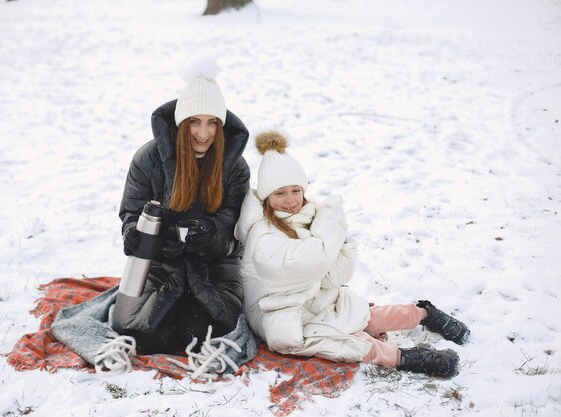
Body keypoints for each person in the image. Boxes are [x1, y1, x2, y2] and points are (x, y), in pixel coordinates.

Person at [234, 131, 470, 378]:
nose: (291, 200)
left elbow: (331, 278)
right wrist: (330, 233)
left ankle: (423, 314)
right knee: (325, 337)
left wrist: (342, 246)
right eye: (280, 193)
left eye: (296, 190)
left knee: (358, 314)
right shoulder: (261, 232)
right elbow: (304, 263)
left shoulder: (308, 217)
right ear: (266, 197)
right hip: (275, 309)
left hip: (311, 298)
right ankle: (404, 358)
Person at [111, 60, 250, 354]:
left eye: (212, 122)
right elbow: (132, 212)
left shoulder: (235, 167)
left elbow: (235, 234)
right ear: (180, 123)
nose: (204, 133)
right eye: (194, 122)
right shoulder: (148, 158)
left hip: (213, 266)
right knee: (138, 335)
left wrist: (210, 234)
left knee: (202, 336)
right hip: (158, 263)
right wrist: (133, 234)